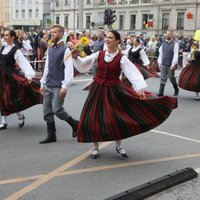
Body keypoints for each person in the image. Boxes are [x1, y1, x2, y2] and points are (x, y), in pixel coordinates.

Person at [72, 30, 177, 159]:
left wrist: (139, 89)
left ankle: (119, 146)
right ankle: (95, 147)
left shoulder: (121, 58)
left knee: (118, 118)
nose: (107, 39)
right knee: (94, 118)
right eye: (106, 37)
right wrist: (76, 57)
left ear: (117, 41)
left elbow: (132, 73)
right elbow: (83, 65)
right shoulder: (98, 54)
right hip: (98, 90)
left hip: (114, 91)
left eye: (110, 37)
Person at [39, 24, 79, 144]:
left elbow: (68, 69)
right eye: (51, 32)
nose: (52, 34)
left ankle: (74, 123)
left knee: (57, 109)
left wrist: (65, 86)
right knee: (47, 111)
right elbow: (47, 67)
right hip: (48, 84)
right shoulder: (50, 48)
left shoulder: (65, 49)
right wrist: (42, 83)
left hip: (59, 84)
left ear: (61, 34)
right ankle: (51, 135)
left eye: (55, 32)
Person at [0, 30, 42, 130]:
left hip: (10, 77)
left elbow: (23, 62)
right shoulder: (2, 48)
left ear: (12, 37)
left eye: (7, 35)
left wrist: (29, 75)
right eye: (4, 35)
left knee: (9, 100)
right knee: (2, 99)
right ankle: (4, 122)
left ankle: (19, 116)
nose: (5, 37)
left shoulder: (16, 50)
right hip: (1, 76)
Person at [157, 30, 179, 97]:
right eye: (167, 34)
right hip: (163, 63)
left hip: (170, 64)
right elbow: (161, 53)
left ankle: (176, 89)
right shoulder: (163, 43)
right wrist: (159, 62)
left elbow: (175, 55)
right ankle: (161, 92)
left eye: (169, 34)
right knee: (162, 78)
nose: (167, 35)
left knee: (172, 78)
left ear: (172, 35)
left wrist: (173, 64)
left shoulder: (175, 44)